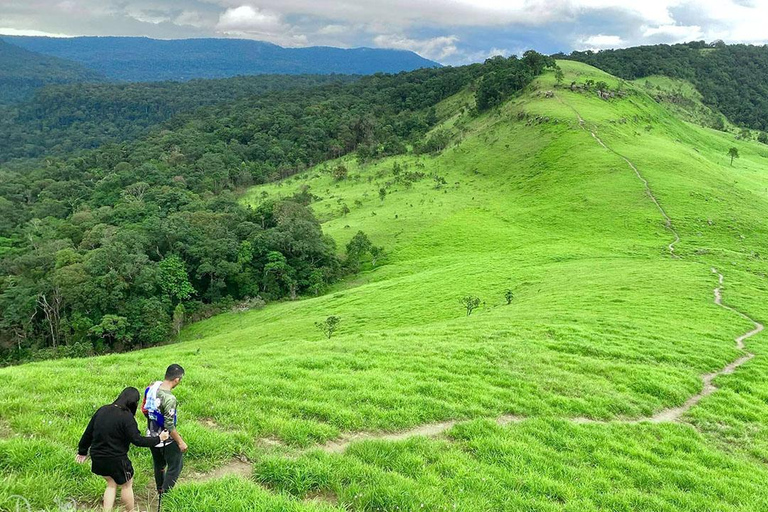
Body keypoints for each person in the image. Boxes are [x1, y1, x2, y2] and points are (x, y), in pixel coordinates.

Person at [76, 387, 169, 512]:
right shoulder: (126, 417)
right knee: (127, 484)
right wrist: (159, 438)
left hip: (98, 457)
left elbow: (88, 433)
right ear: (134, 403)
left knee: (111, 484)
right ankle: (130, 511)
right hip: (116, 459)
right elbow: (138, 440)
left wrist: (82, 452)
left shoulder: (102, 410)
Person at [142, 364, 187, 496]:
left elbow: (144, 410)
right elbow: (169, 425)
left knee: (159, 465)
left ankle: (160, 489)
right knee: (176, 465)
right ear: (177, 380)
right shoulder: (169, 399)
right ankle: (166, 494)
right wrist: (180, 442)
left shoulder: (151, 389)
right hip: (166, 439)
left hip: (151, 435)